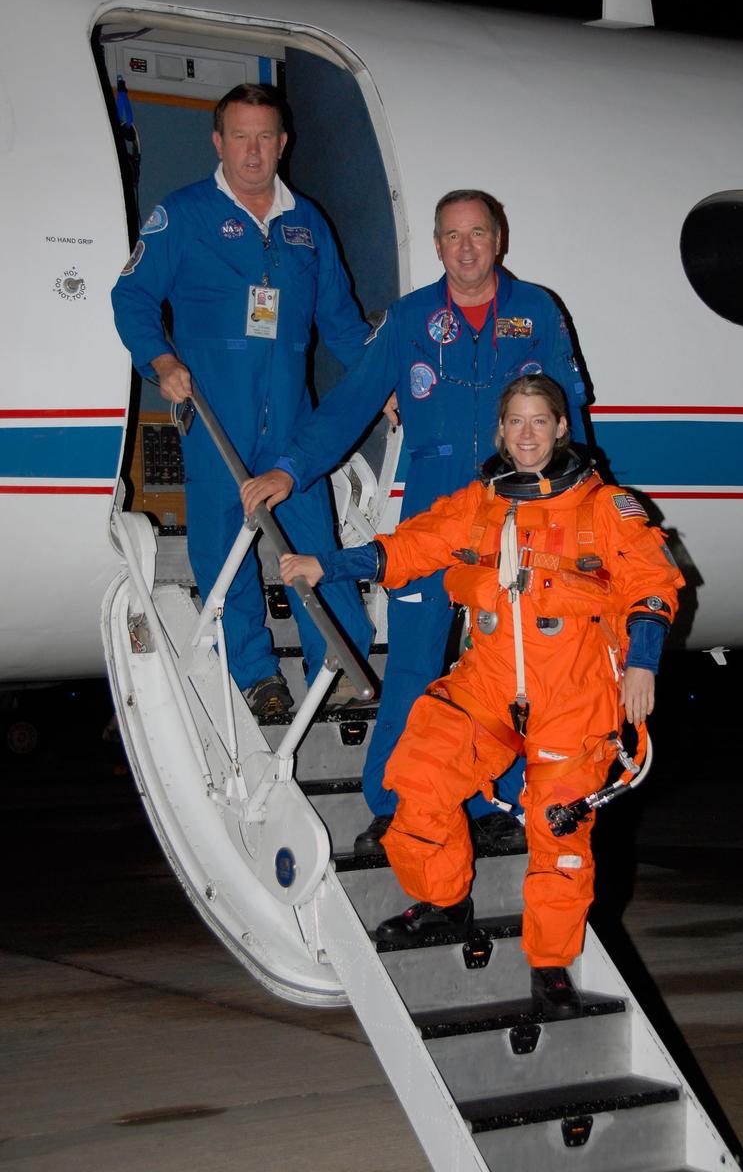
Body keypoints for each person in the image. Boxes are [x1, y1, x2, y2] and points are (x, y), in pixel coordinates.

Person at [279, 375, 683, 1018]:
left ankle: (551, 968)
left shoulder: (603, 508)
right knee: (418, 771)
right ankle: (444, 900)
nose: (527, 435)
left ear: (559, 428)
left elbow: (654, 583)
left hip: (573, 692)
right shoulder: (478, 505)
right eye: (515, 422)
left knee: (562, 832)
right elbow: (407, 548)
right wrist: (327, 564)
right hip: (490, 681)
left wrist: (643, 665)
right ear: (501, 431)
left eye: (539, 422)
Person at [240, 190, 588, 849]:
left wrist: (582, 505)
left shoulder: (537, 311)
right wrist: (291, 467)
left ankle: (495, 802)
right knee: (413, 663)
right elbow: (349, 404)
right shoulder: (410, 320)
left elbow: (570, 420)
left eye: (477, 234)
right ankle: (396, 801)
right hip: (434, 514)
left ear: (498, 239)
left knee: (509, 665)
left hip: (517, 516)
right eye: (452, 236)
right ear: (436, 246)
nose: (465, 248)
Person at [112, 83, 373, 722]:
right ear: (218, 141)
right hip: (216, 418)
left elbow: (340, 321)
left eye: (265, 137)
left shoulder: (308, 224)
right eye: (240, 137)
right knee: (223, 553)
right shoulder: (185, 214)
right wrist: (163, 360)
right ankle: (255, 673)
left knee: (315, 540)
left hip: (293, 424)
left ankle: (338, 664)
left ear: (283, 144)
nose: (253, 152)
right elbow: (133, 296)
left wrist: (381, 380)